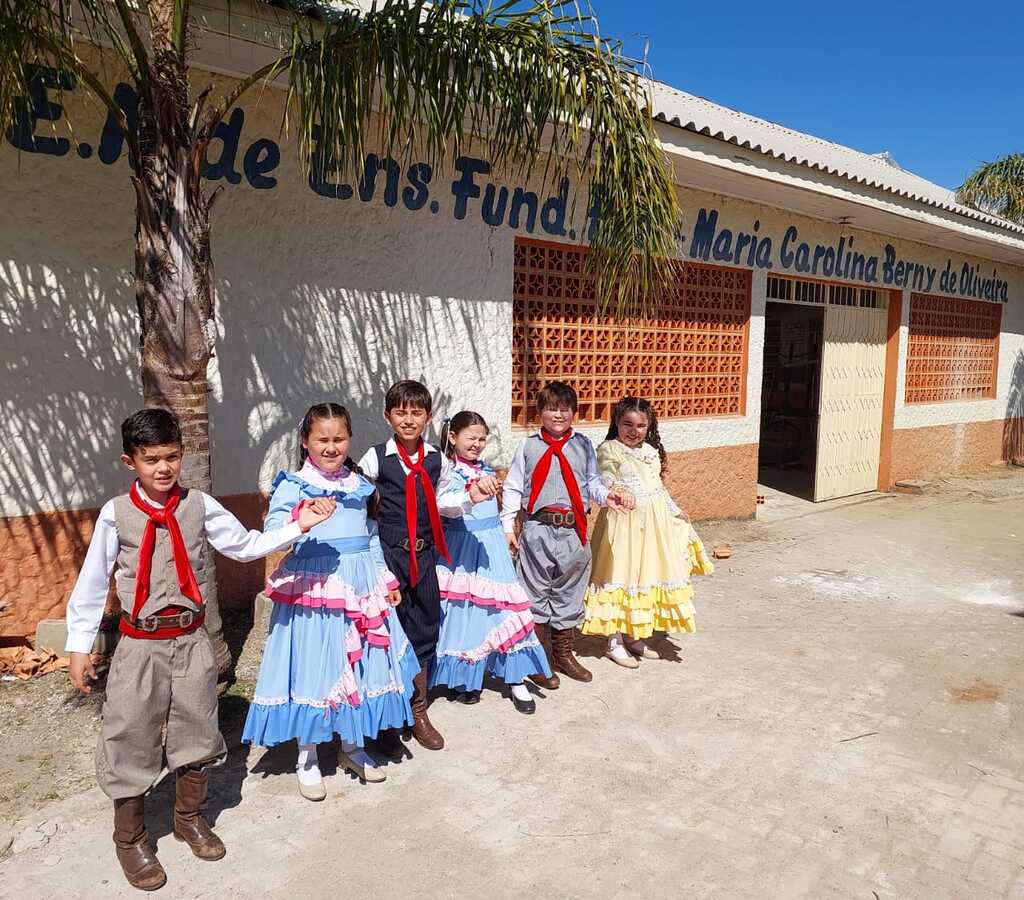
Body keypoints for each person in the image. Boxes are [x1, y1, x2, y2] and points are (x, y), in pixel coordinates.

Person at [65, 408, 332, 891]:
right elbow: (93, 581)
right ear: (131, 462)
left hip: (191, 641)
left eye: (171, 457)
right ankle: (131, 838)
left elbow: (246, 546)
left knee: (197, 727)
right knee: (129, 733)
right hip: (140, 644)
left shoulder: (200, 505)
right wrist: (79, 645)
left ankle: (189, 817)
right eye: (151, 460)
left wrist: (300, 524)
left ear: (182, 455)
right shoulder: (115, 513)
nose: (163, 468)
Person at [242, 403, 419, 799]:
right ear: (305, 442)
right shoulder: (295, 485)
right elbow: (276, 534)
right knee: (316, 667)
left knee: (359, 666)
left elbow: (369, 536)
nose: (331, 447)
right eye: (322, 439)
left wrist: (385, 577)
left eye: (339, 439)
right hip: (315, 590)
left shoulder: (358, 486)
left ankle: (351, 747)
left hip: (361, 587)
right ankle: (307, 755)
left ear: (349, 440)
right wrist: (301, 516)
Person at [357, 381, 493, 751]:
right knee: (386, 634)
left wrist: (469, 496)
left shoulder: (436, 458)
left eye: (416, 412)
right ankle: (386, 719)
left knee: (424, 627)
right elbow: (362, 510)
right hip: (388, 556)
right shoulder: (374, 458)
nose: (408, 419)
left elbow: (444, 499)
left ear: (428, 418)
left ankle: (417, 710)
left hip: (424, 555)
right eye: (400, 412)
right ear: (388, 416)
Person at [500, 381, 634, 687]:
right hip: (537, 529)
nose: (558, 415)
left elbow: (592, 482)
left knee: (569, 594)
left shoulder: (583, 445)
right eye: (551, 408)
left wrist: (607, 496)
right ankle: (538, 659)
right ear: (540, 413)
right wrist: (508, 526)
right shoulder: (528, 446)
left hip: (573, 530)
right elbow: (514, 486)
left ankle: (563, 653)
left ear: (574, 412)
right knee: (535, 594)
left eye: (564, 409)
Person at [431, 411, 552, 714]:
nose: (477, 443)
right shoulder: (446, 471)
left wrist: (505, 530)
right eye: (471, 437)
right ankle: (466, 678)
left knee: (505, 610)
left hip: (491, 547)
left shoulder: (484, 468)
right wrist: (469, 495)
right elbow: (442, 506)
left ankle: (516, 678)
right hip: (459, 548)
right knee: (463, 613)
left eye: (482, 438)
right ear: (452, 437)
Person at [582, 397, 714, 666]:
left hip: (652, 525)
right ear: (616, 423)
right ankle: (614, 640)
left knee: (644, 576)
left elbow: (658, 488)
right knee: (621, 575)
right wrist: (616, 491)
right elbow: (605, 476)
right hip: (623, 524)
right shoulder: (609, 449)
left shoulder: (651, 452)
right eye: (627, 424)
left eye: (641, 425)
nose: (634, 430)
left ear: (649, 426)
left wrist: (675, 510)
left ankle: (634, 635)